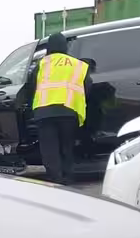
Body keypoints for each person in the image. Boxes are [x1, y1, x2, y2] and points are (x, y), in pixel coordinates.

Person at [23, 33, 90, 184]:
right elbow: (87, 86)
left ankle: (55, 180)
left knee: (49, 150)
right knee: (67, 146)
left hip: (44, 112)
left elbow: (31, 86)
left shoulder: (42, 63)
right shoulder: (77, 64)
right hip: (69, 111)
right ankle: (67, 178)